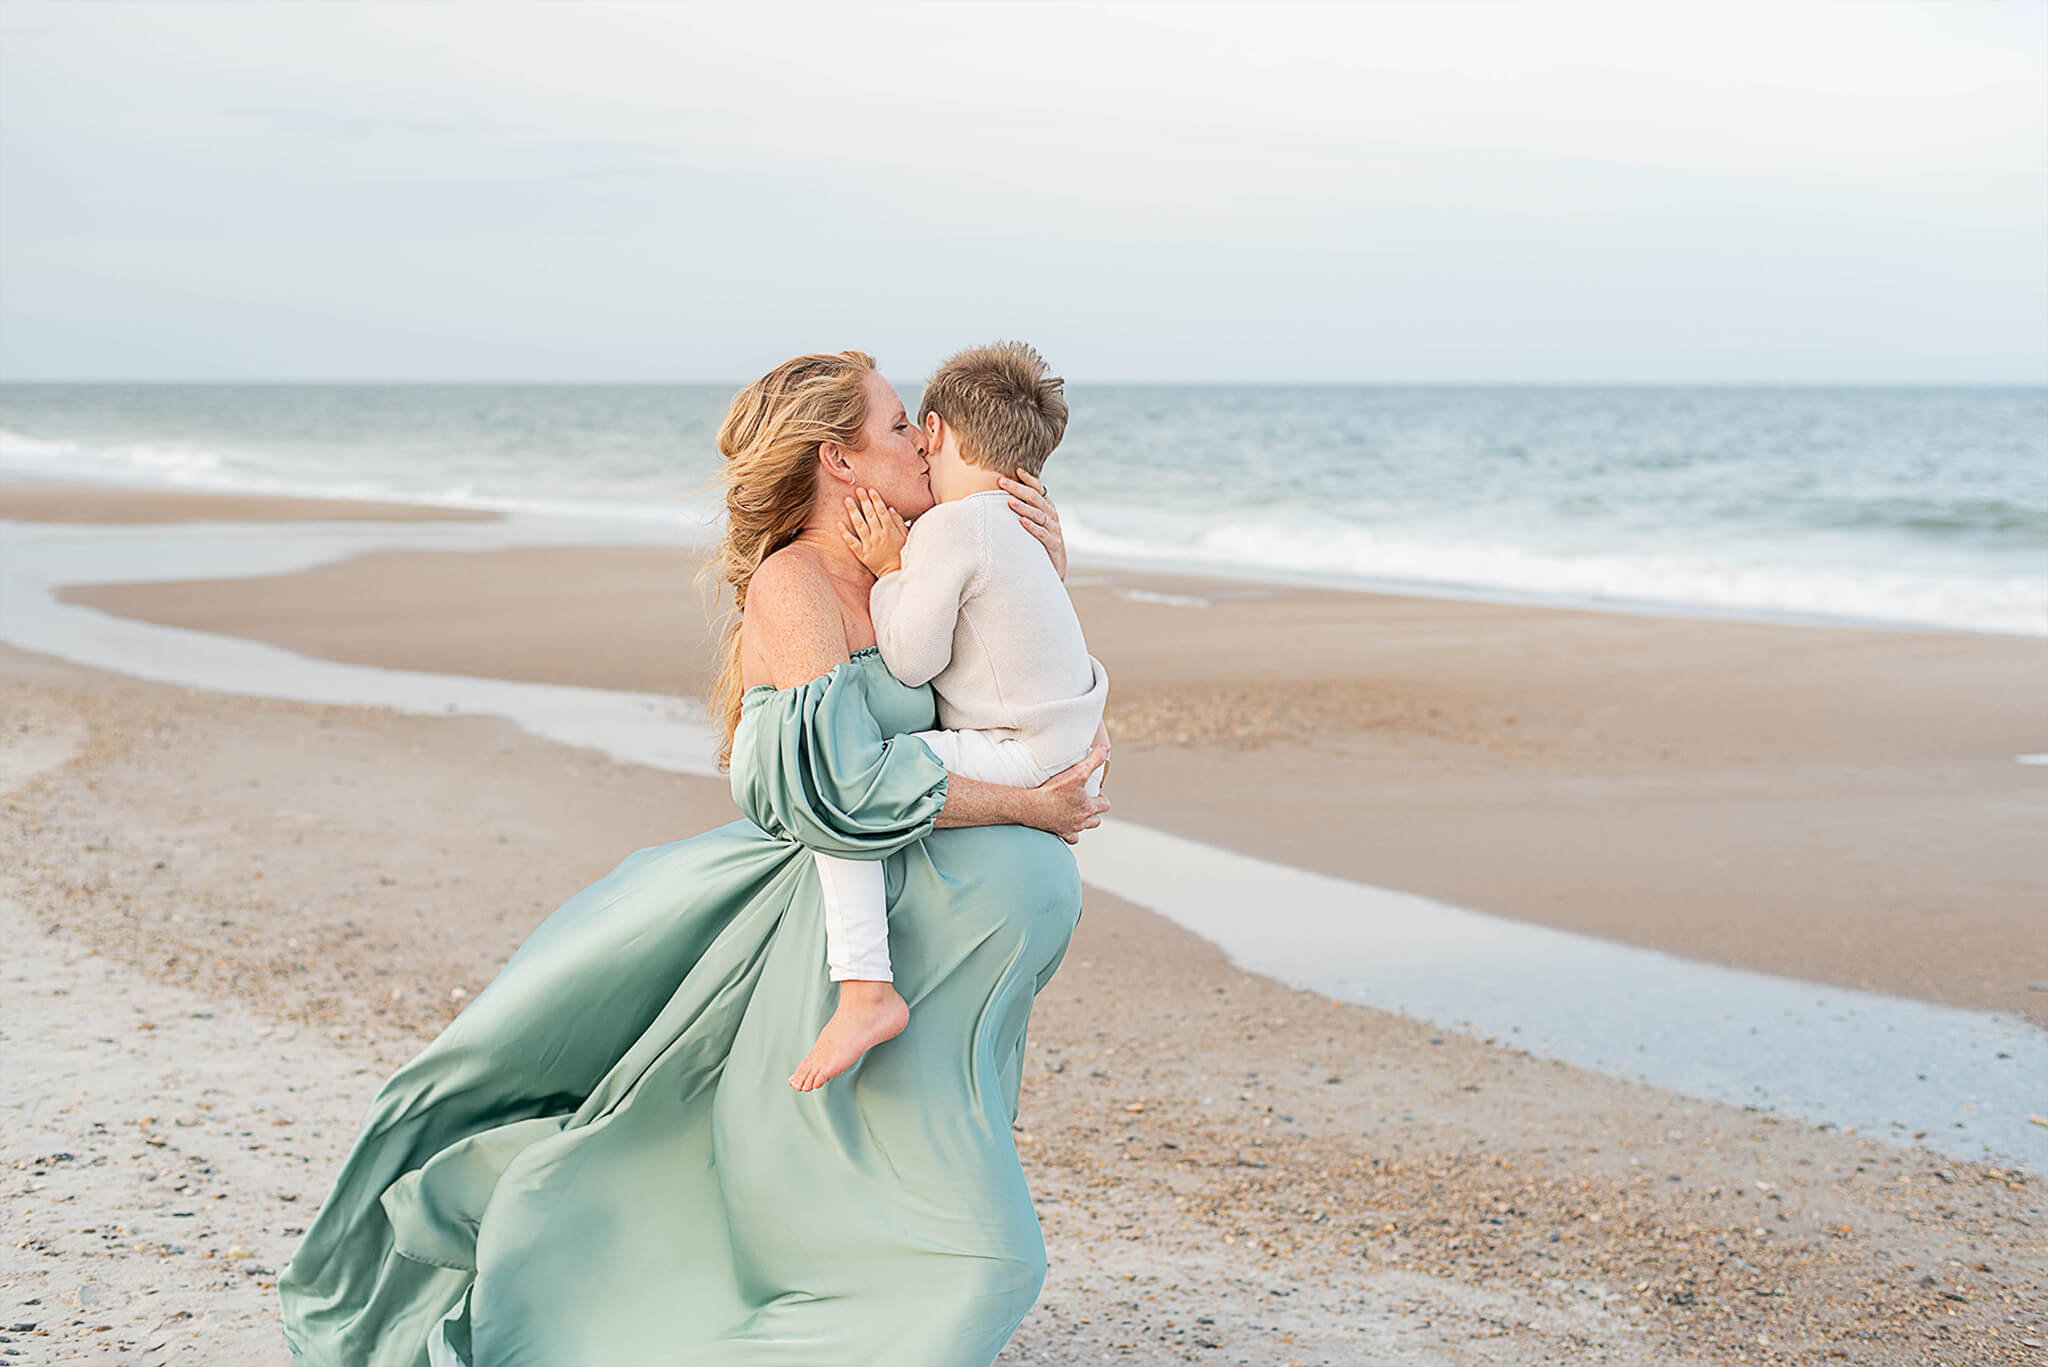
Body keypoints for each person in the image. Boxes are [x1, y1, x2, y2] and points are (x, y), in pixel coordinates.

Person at [276, 349, 1111, 1367]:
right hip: (817, 939)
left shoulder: (914, 560)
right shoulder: (796, 586)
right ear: (837, 460)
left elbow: (1011, 681)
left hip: (929, 964)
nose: (921, 441)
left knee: (928, 1220)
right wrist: (1028, 804)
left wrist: (1036, 563)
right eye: (898, 426)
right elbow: (837, 787)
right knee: (966, 1255)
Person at [791, 341, 1108, 1093]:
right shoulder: (1019, 526)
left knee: (851, 789)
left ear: (932, 432)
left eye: (910, 431)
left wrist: (891, 567)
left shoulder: (951, 528)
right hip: (1066, 735)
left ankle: (864, 985)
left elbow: (909, 659)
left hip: (1022, 749)